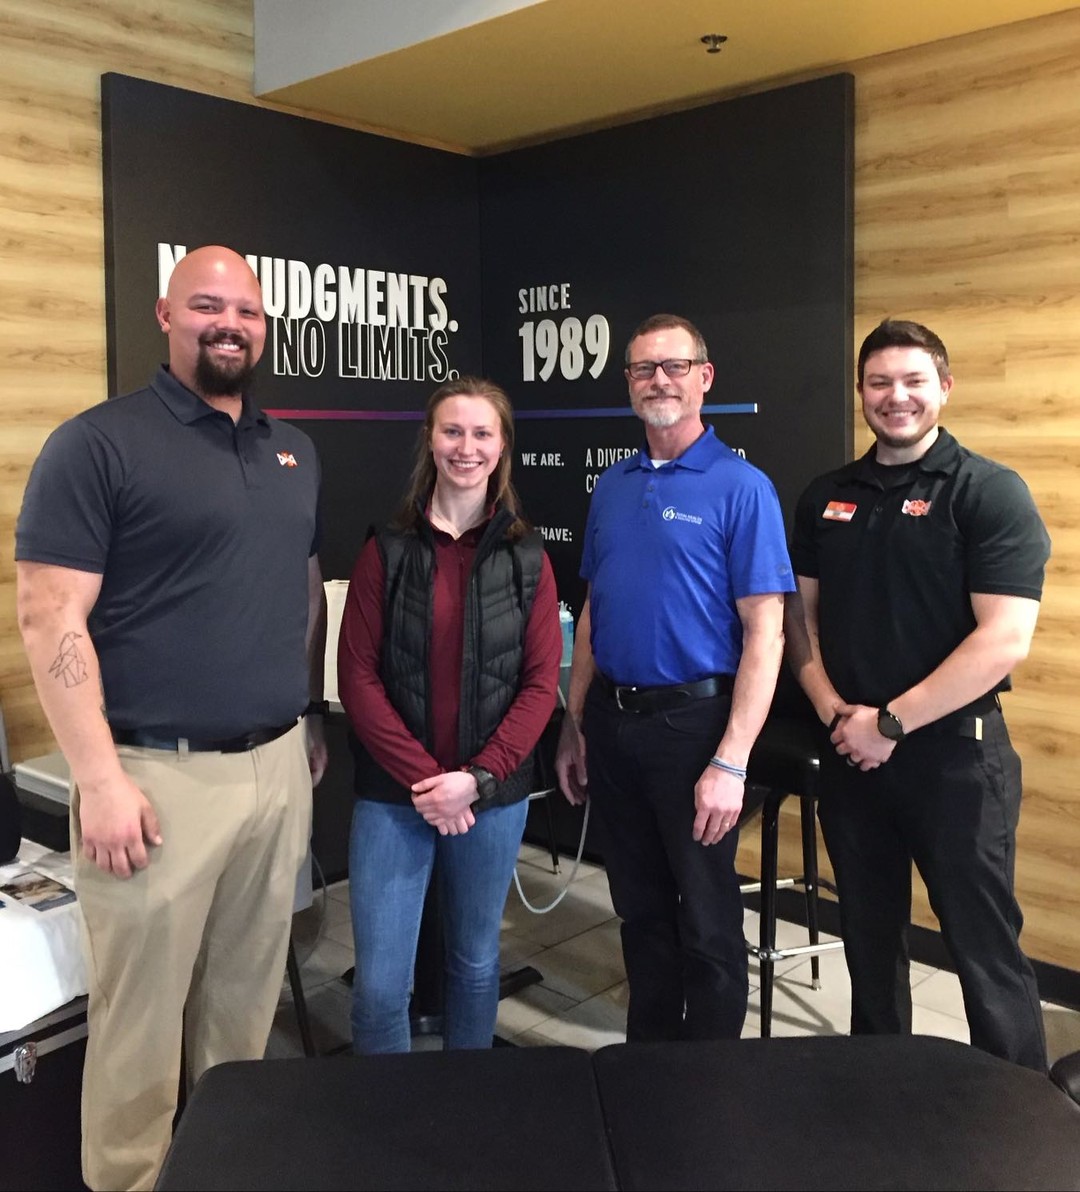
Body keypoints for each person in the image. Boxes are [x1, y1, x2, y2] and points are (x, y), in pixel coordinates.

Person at [15, 245, 328, 1191]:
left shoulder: (292, 449)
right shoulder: (98, 444)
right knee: (139, 1029)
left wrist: (307, 720)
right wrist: (100, 780)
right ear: (164, 315)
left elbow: (297, 588)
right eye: (205, 306)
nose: (228, 324)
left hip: (277, 770)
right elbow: (49, 616)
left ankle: (224, 1170)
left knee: (243, 1012)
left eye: (246, 311)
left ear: (264, 326)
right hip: (154, 782)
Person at [785, 317, 1050, 1071]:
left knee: (984, 954)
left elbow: (1003, 639)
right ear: (861, 392)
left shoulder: (988, 491)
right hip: (852, 758)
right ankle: (883, 1101)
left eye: (913, 381)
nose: (895, 396)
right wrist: (834, 710)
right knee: (869, 947)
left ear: (944, 388)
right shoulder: (827, 496)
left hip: (956, 764)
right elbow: (799, 620)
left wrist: (891, 724)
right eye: (879, 382)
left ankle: (1019, 1112)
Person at [555, 314, 793, 1042]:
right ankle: (651, 1060)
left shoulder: (742, 487)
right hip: (613, 725)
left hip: (695, 731)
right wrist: (574, 721)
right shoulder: (613, 486)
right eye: (643, 369)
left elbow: (766, 632)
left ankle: (712, 1077)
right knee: (640, 910)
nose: (659, 380)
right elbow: (593, 611)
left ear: (704, 378)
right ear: (629, 383)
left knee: (708, 920)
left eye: (674, 366)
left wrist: (732, 760)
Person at [337, 375, 560, 1054]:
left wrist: (477, 780)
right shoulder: (386, 549)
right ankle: (391, 1113)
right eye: (453, 431)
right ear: (430, 442)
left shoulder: (527, 557)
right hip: (394, 798)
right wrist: (427, 782)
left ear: (502, 447)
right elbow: (357, 678)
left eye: (482, 433)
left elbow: (539, 685)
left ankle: (467, 1102)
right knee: (381, 989)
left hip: (489, 800)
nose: (467, 447)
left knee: (473, 966)